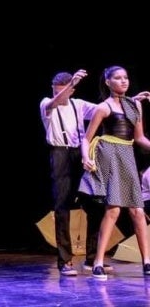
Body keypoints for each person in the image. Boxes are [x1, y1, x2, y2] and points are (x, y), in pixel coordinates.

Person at [79, 66, 150, 280]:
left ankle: (147, 262)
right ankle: (98, 262)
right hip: (109, 155)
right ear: (108, 82)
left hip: (127, 156)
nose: (123, 81)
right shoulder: (103, 107)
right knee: (114, 210)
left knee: (138, 211)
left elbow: (139, 138)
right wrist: (86, 157)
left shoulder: (135, 105)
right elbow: (86, 139)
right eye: (118, 78)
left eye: (126, 77)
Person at [39, 69, 108, 276]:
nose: (58, 95)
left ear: (72, 91)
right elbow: (53, 103)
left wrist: (129, 102)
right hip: (60, 153)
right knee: (62, 206)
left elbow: (105, 109)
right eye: (56, 91)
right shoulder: (46, 103)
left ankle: (92, 258)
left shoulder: (78, 104)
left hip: (80, 153)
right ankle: (65, 260)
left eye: (64, 90)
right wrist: (69, 86)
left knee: (94, 203)